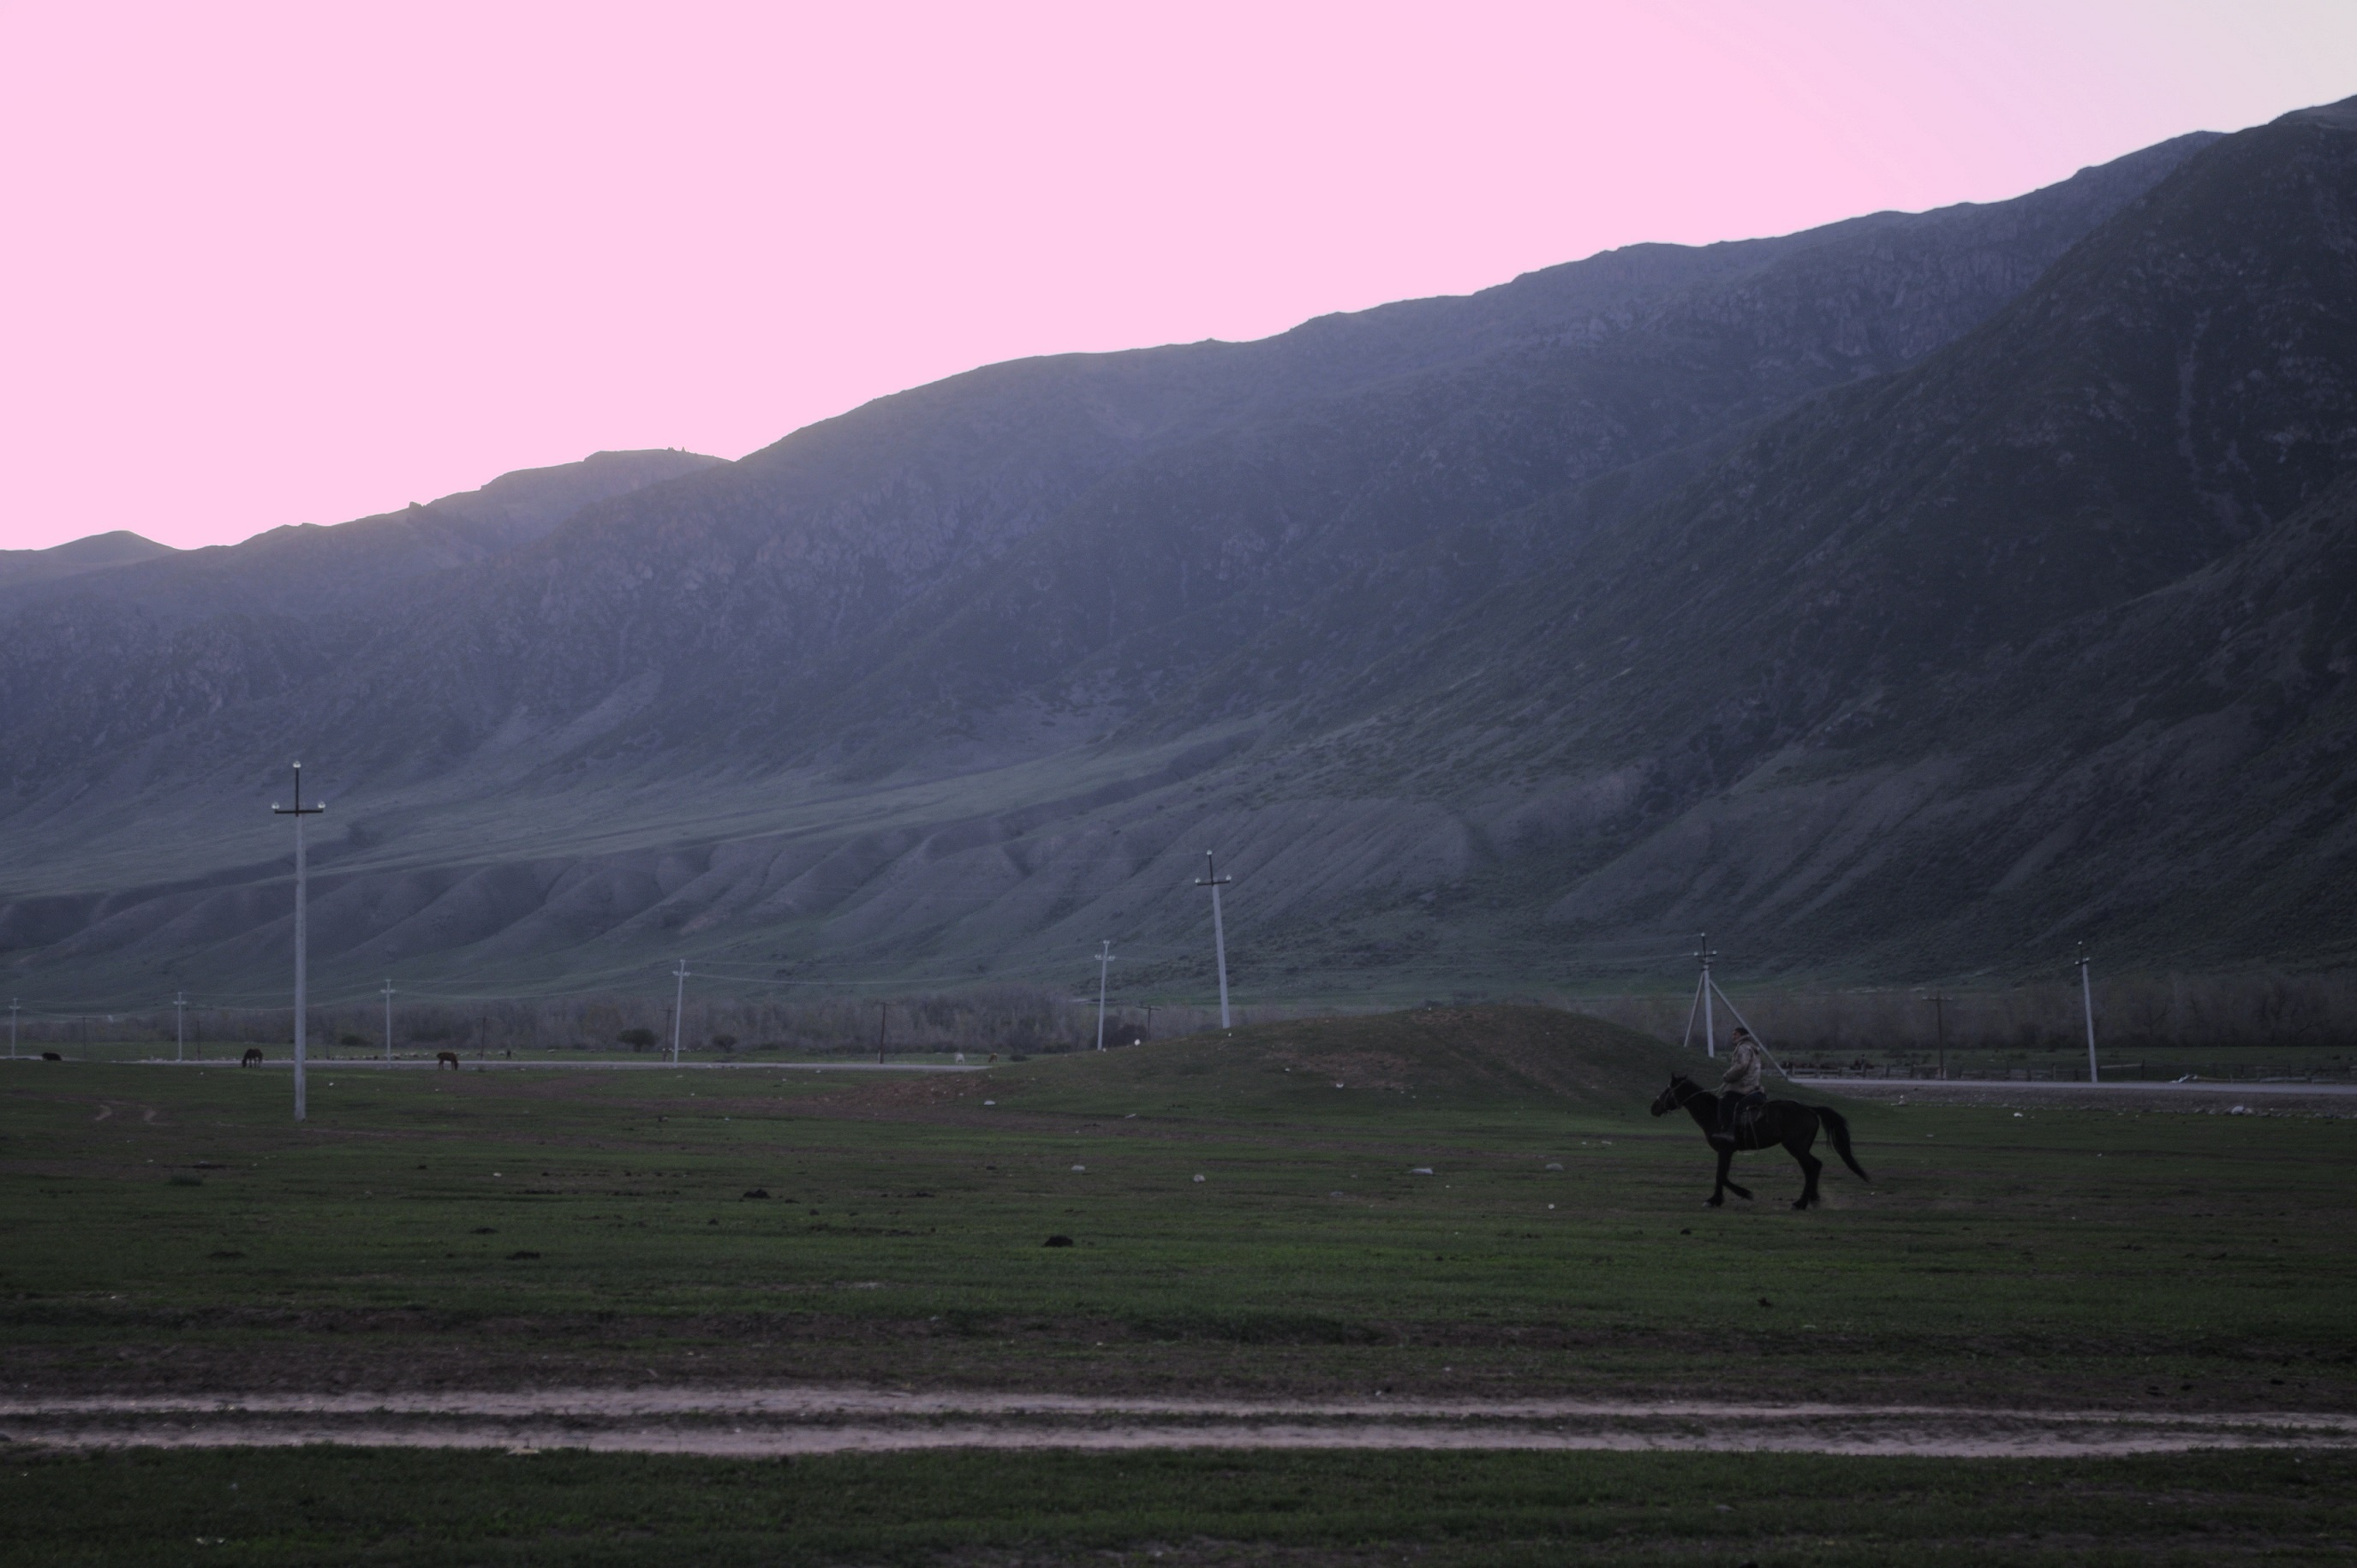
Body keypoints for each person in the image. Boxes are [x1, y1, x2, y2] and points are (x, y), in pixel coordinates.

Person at [1713, 1028, 1766, 1148]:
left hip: (1744, 1085)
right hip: (1753, 1083)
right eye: (1732, 1034)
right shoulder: (1752, 1047)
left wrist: (1728, 1076)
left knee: (1725, 1102)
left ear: (1742, 1035)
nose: (1733, 1036)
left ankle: (1730, 1132)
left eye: (1735, 1034)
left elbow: (1742, 1066)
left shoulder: (1743, 1047)